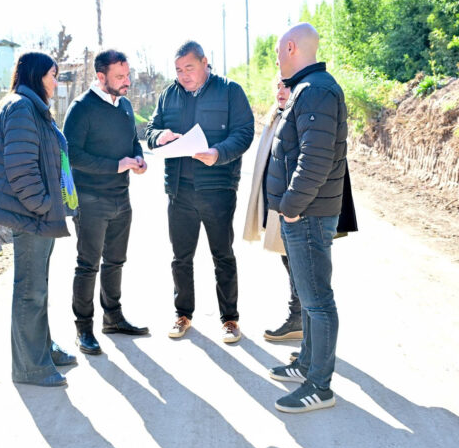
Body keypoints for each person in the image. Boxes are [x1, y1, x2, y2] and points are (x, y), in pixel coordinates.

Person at [0, 52, 78, 387]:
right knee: (30, 290)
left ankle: (42, 349)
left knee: (39, 287)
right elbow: (21, 169)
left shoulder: (32, 106)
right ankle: (29, 367)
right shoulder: (21, 107)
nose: (55, 81)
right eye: (52, 74)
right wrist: (43, 205)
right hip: (32, 215)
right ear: (35, 74)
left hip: (42, 214)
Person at [145, 41, 254, 343]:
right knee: (181, 257)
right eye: (178, 70)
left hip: (218, 189)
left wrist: (219, 153)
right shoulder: (169, 94)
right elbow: (151, 131)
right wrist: (160, 136)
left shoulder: (230, 91)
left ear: (205, 62)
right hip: (179, 192)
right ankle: (183, 315)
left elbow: (244, 132)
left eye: (189, 68)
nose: (183, 75)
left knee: (222, 255)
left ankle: (230, 319)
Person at [266, 23, 349, 412]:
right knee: (311, 296)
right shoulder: (308, 89)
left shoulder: (315, 90)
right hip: (306, 213)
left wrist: (292, 207)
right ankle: (307, 365)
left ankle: (320, 386)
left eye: (279, 51)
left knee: (317, 301)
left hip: (309, 214)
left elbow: (314, 160)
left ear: (292, 47)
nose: (278, 59)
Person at [63, 49, 149, 355]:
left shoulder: (124, 105)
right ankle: (83, 329)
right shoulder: (81, 108)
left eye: (128, 75)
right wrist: (116, 165)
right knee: (88, 265)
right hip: (90, 200)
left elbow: (132, 142)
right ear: (101, 77)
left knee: (116, 261)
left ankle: (113, 317)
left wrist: (137, 158)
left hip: (121, 197)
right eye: (120, 77)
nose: (127, 82)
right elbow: (72, 154)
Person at [242, 76, 304, 342]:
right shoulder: (277, 117)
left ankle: (300, 319)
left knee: (298, 265)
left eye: (286, 87)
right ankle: (299, 319)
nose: (280, 91)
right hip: (277, 206)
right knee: (289, 261)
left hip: (293, 208)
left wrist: (291, 205)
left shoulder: (297, 118)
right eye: (277, 86)